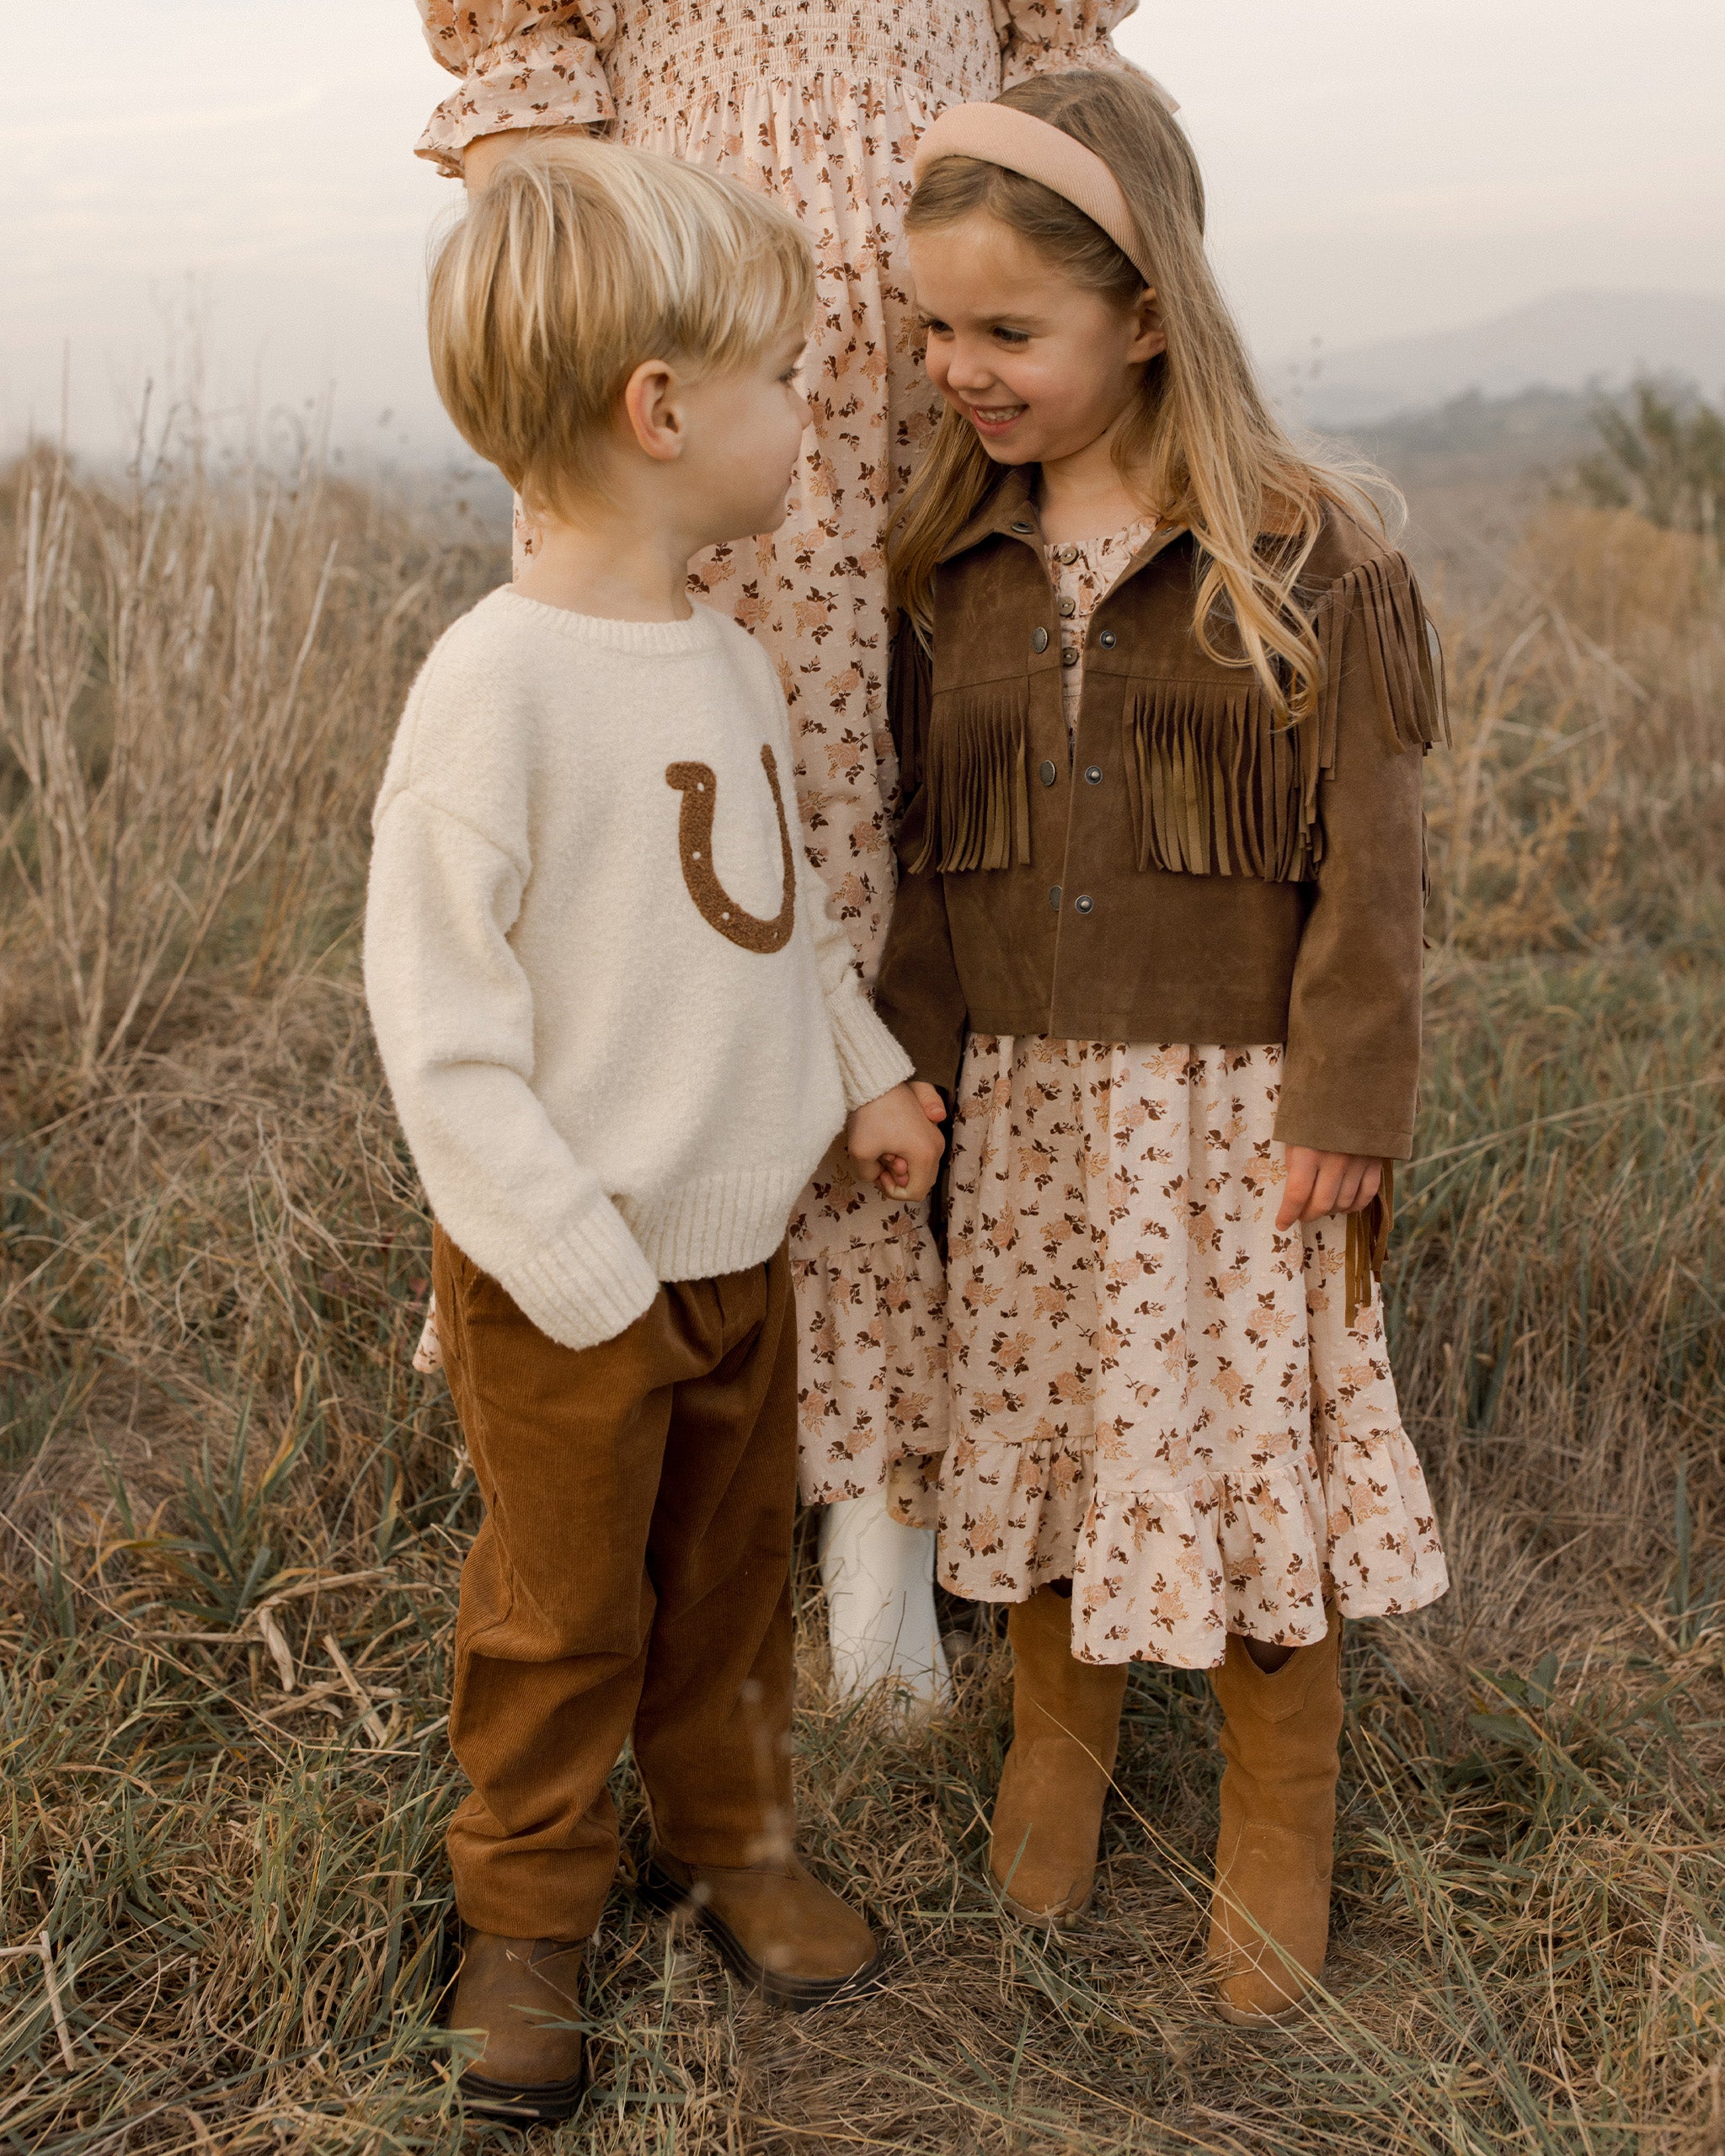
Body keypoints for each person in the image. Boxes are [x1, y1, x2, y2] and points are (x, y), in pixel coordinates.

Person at [412, 0, 1146, 1702]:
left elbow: (1061, 67)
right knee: (693, 852)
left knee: (968, 841)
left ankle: (946, 1496)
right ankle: (621, 1441)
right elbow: (523, 85)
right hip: (673, 352)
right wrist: (588, 366)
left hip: (960, 334)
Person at [364, 141, 943, 2122]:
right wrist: (571, 1259)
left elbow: (769, 925)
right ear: (663, 410)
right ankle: (522, 1907)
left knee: (720, 1588)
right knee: (558, 1608)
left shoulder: (727, 656)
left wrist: (857, 1064)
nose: (812, 414)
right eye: (786, 376)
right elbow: (442, 1040)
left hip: (736, 1252)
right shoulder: (494, 691)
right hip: (566, 1278)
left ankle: (727, 1835)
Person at [873, 71, 1451, 2024]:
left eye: (1005, 331)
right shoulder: (948, 578)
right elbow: (935, 870)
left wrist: (1348, 1101)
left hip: (1235, 1120)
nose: (959, 367)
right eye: (932, 327)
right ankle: (1061, 1736)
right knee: (1044, 1428)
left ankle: (1280, 1798)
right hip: (1033, 1110)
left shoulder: (1308, 560)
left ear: (1144, 315)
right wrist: (912, 1069)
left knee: (1241, 1449)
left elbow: (1374, 875)